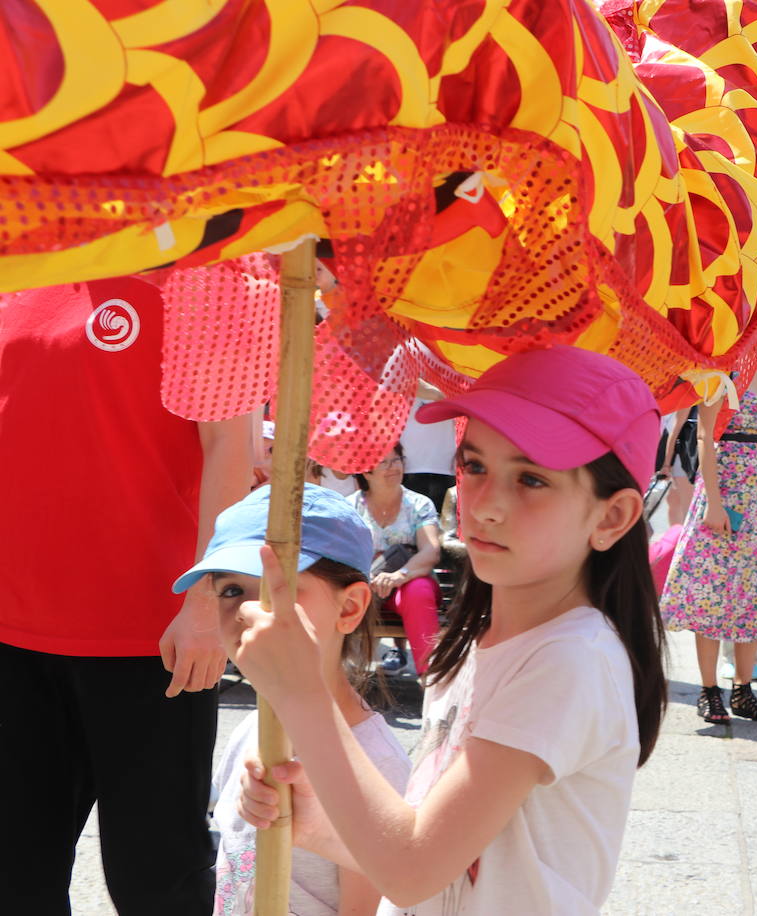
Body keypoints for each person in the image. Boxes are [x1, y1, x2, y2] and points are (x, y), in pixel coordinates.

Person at [230, 345, 668, 914]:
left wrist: (301, 690)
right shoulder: (479, 642)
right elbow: (434, 857)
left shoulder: (571, 658)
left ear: (611, 517)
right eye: (476, 465)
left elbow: (412, 870)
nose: (484, 505)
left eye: (531, 479)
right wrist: (314, 822)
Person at [0, 277, 252, 912]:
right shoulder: (20, 268)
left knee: (156, 877)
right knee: (14, 874)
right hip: (13, 632)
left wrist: (206, 600)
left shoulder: (202, 278)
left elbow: (230, 445)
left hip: (153, 639)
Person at [173, 485, 411, 915]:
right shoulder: (250, 729)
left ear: (349, 607)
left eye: (274, 591)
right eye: (230, 590)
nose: (248, 612)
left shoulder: (375, 764)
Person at [661, 337, 757, 723]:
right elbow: (705, 436)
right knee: (712, 593)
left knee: (753, 596)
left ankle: (743, 689)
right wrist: (715, 503)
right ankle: (709, 691)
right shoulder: (723, 369)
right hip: (725, 490)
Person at [349, 443, 443, 675]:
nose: (393, 467)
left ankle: (431, 678)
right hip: (363, 586)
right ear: (366, 470)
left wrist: (398, 576)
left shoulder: (419, 504)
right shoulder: (349, 506)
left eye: (397, 460)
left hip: (406, 584)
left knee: (419, 589)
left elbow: (430, 551)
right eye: (383, 462)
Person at [400, 386, 458, 515]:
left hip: (445, 470)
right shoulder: (402, 373)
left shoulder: (449, 374)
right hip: (409, 470)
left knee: (444, 529)